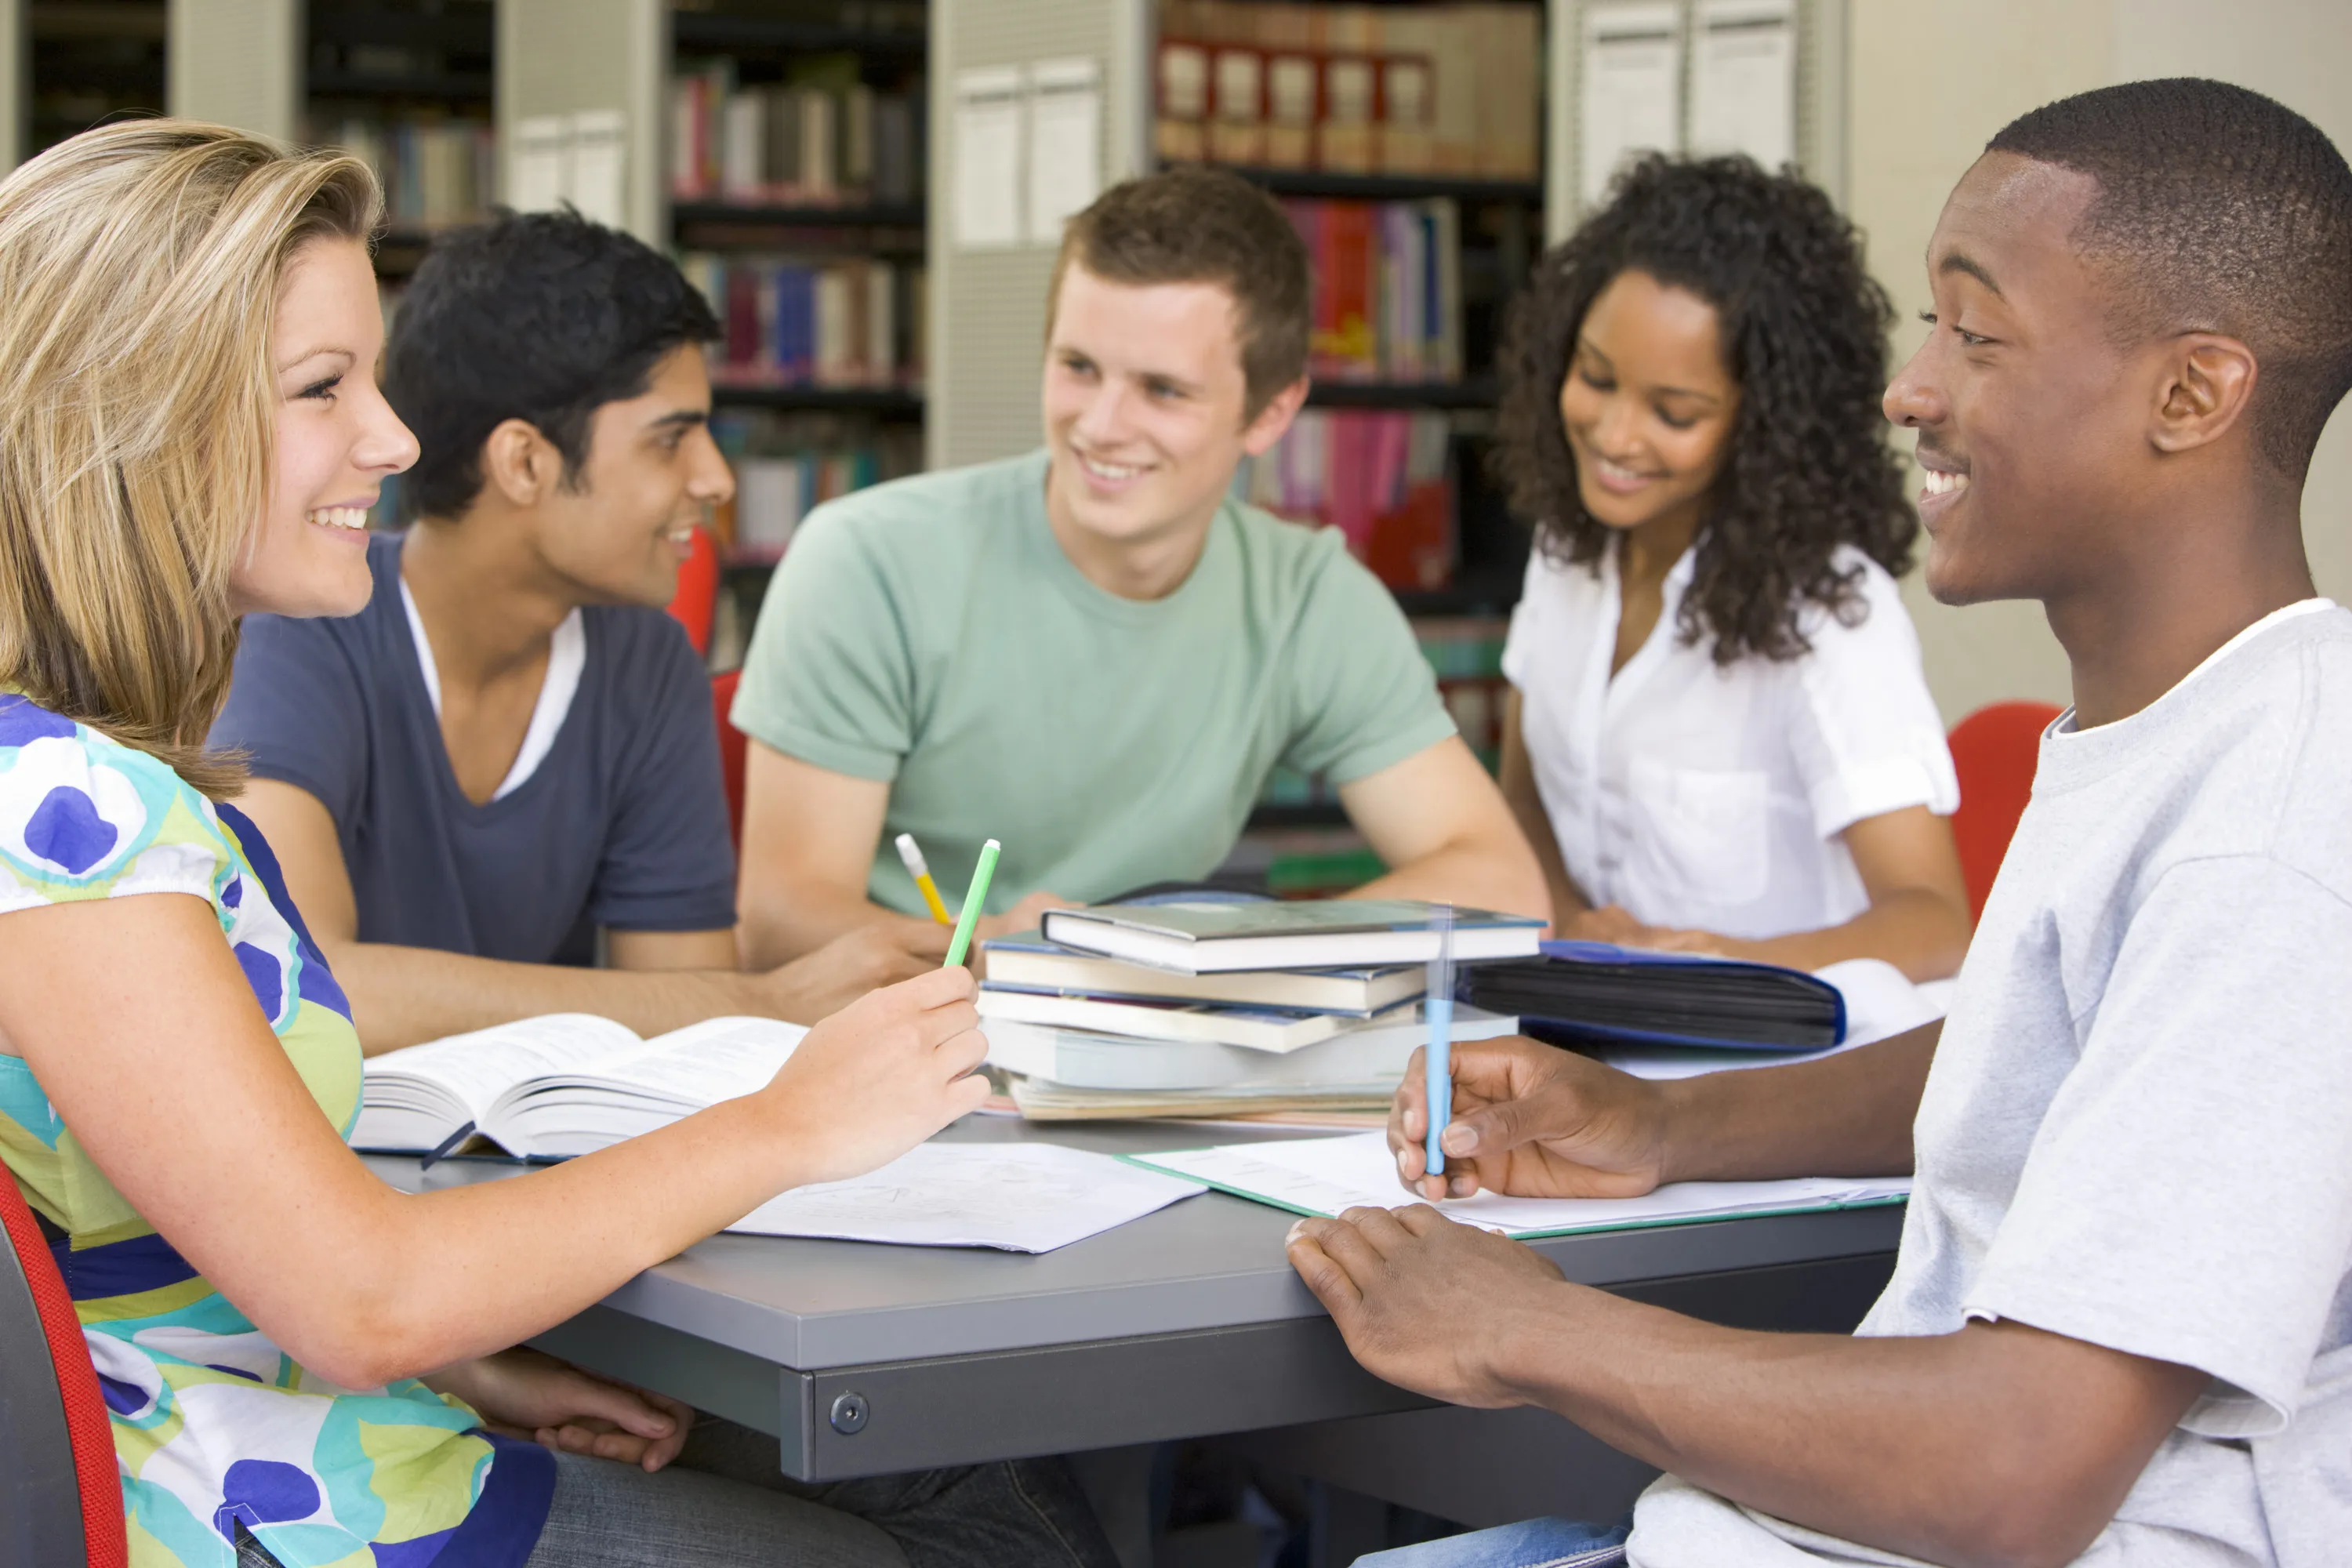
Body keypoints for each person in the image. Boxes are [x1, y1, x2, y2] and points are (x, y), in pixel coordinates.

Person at [0, 121, 1114, 1568]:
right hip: (268, 1513)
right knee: (986, 1528)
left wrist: (463, 1366)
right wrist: (791, 1122)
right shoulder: (69, 823)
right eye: (321, 389)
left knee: (981, 1481)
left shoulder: (81, 785)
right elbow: (361, 1297)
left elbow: (148, 1246)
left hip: (280, 1427)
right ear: (135, 419)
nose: (395, 442)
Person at [1288, 79, 2352, 1567]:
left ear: (2193, 395)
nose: (1914, 388)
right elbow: (2037, 1053)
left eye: (1975, 336)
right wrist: (1661, 1124)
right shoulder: (2161, 731)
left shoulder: (2276, 827)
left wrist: (1534, 1329)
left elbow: (2014, 1473)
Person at [729, 165, 1547, 967]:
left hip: (1156, 1040)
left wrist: (1194, 950)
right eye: (1078, 367)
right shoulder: (869, 560)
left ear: (1271, 412)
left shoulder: (1307, 597)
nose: (1102, 424)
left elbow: (1502, 886)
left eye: (1162, 390)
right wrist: (1002, 955)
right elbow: (781, 917)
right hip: (902, 1035)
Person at [209, 210, 946, 1054]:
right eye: (671, 440)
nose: (715, 477)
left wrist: (734, 1004)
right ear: (524, 463)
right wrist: (765, 999)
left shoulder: (647, 661)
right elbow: (310, 984)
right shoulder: (297, 623)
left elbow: (690, 1027)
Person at [1491, 154, 1971, 982]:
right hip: (1588, 1037)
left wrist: (1720, 965)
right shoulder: (1566, 549)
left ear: (1764, 426)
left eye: (1673, 413)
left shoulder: (1826, 613)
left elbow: (1935, 926)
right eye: (1594, 377)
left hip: (1771, 1073)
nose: (1612, 434)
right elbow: (1522, 799)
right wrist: (1572, 922)